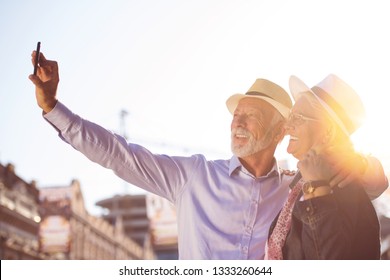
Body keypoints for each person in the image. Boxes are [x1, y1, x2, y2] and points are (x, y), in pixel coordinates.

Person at [29, 52, 388, 259]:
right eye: (236, 115)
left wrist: (355, 163)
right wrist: (54, 108)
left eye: (251, 116)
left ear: (279, 131)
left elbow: (372, 182)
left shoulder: (298, 187)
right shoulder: (193, 176)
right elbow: (118, 156)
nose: (237, 123)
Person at [265, 74, 386, 260]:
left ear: (328, 132)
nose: (287, 126)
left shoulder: (340, 188)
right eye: (290, 116)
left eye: (297, 118)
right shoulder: (302, 182)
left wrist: (317, 190)